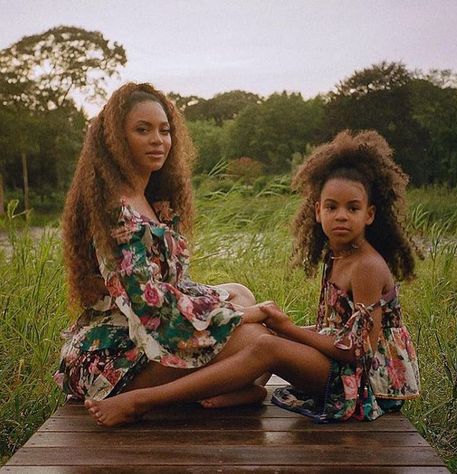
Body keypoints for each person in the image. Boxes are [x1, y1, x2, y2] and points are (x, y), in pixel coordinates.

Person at [83, 129, 421, 427]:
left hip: (367, 386)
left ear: (370, 214)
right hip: (347, 370)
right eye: (332, 207)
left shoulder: (366, 266)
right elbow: (338, 332)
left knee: (266, 344)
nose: (341, 216)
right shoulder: (339, 255)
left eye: (353, 208)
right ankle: (244, 389)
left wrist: (287, 330)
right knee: (266, 332)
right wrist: (283, 328)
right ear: (317, 211)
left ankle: (143, 401)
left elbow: (358, 352)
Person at [55, 82, 271, 412]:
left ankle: (231, 386)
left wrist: (232, 309)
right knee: (255, 338)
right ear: (116, 139)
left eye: (164, 130)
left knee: (239, 292)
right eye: (143, 130)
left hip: (147, 327)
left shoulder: (154, 198)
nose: (158, 140)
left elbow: (172, 285)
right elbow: (150, 308)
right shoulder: (115, 211)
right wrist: (237, 318)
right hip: (113, 351)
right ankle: (203, 390)